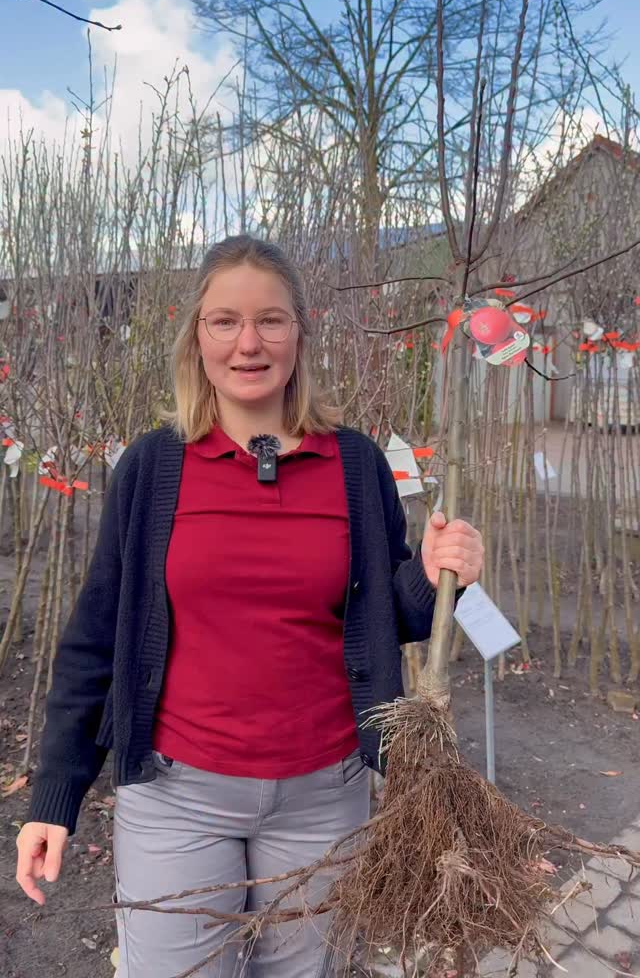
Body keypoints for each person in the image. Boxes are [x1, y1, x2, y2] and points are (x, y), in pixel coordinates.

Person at [16, 235, 483, 977]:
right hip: (176, 798)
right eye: (224, 321)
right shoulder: (153, 465)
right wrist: (55, 795)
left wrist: (430, 576)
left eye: (270, 320)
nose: (248, 343)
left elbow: (386, 620)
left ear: (300, 330)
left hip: (325, 799)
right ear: (196, 337)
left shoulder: (356, 463)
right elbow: (95, 637)